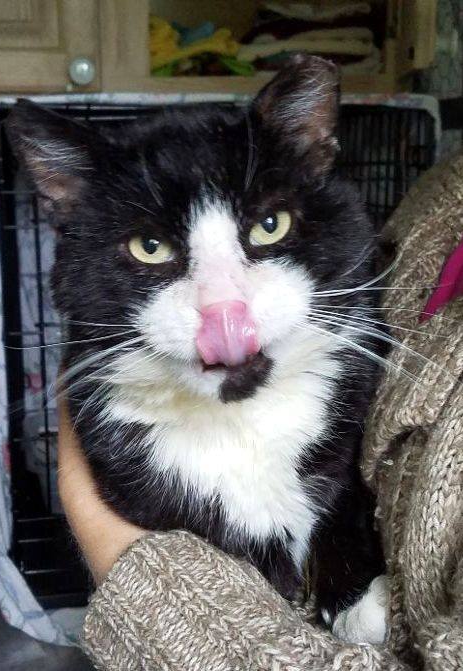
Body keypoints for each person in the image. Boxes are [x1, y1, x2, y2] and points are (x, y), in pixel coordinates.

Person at [58, 153, 463, 671]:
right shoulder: (439, 198)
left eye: (269, 226)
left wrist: (114, 549)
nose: (223, 305)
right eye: (150, 245)